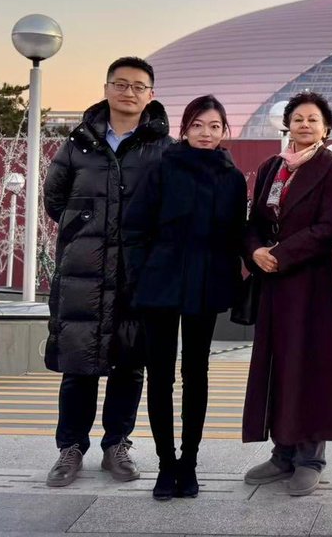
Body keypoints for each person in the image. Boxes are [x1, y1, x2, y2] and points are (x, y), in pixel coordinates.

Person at [42, 57, 173, 488]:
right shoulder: (78, 144)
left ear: (150, 95)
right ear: (106, 88)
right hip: (84, 272)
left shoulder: (162, 148)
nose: (129, 92)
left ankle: (117, 444)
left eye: (138, 86)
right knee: (77, 365)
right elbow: (55, 199)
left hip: (137, 275)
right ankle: (70, 448)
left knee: (130, 364)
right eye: (121, 84)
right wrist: (85, 230)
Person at [123, 96, 248, 500]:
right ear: (185, 128)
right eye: (198, 125)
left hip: (205, 285)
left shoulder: (232, 176)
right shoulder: (162, 167)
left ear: (224, 130)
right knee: (159, 377)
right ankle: (165, 465)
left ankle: (189, 464)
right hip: (160, 284)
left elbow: (234, 235)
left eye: (214, 126)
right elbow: (135, 228)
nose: (206, 134)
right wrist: (140, 277)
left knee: (197, 375)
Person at [242, 92, 332, 497]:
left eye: (314, 119)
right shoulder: (273, 166)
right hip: (273, 282)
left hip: (312, 283)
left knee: (310, 364)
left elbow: (330, 226)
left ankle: (310, 457)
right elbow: (254, 220)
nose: (305, 125)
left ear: (326, 128)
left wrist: (281, 255)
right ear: (288, 124)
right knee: (277, 363)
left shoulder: (330, 167)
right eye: (299, 118)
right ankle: (282, 452)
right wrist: (255, 252)